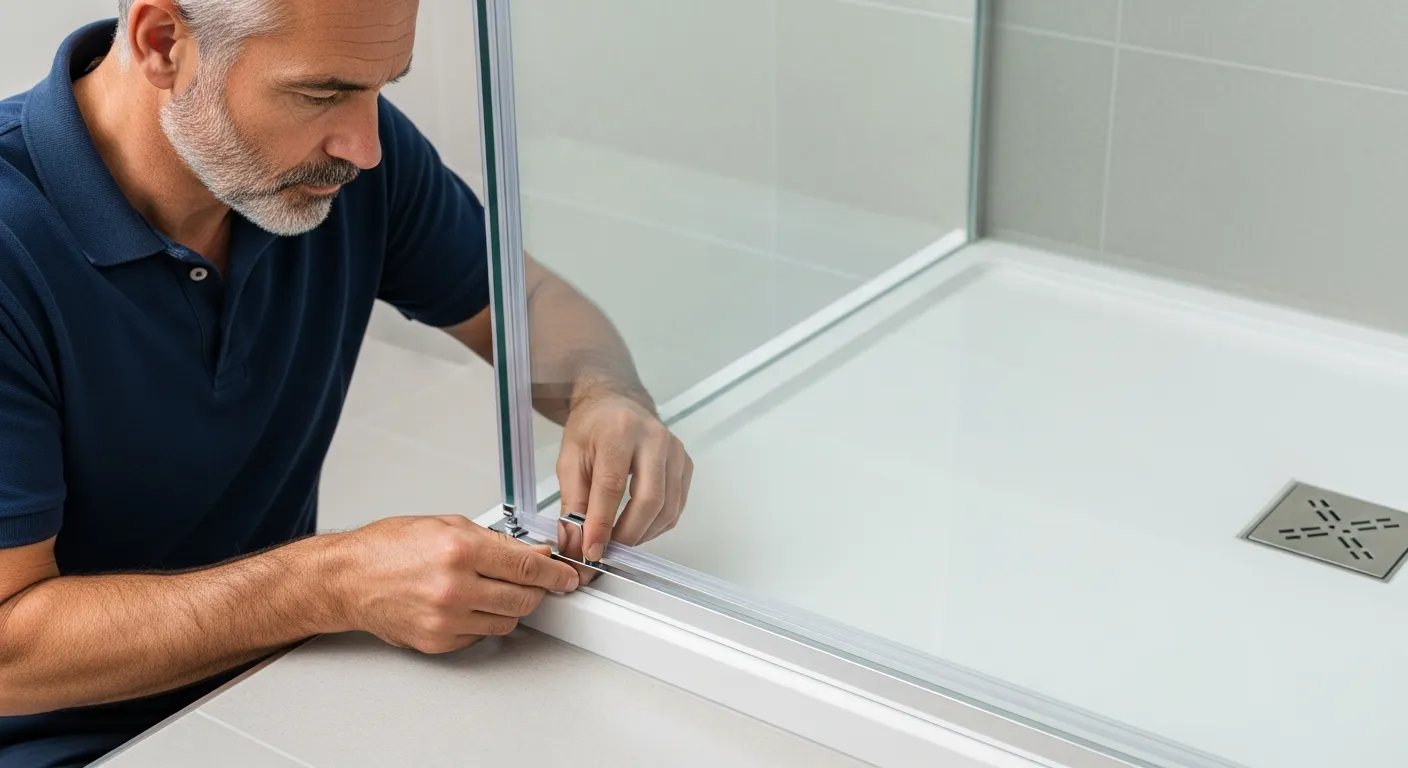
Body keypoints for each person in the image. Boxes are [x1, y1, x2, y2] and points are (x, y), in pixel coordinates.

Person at [0, 1, 694, 764]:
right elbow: (9, 652)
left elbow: (525, 305)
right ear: (163, 42)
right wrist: (329, 583)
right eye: (321, 95)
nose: (363, 148)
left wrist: (605, 394)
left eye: (382, 86)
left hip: (278, 678)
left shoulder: (344, 158)